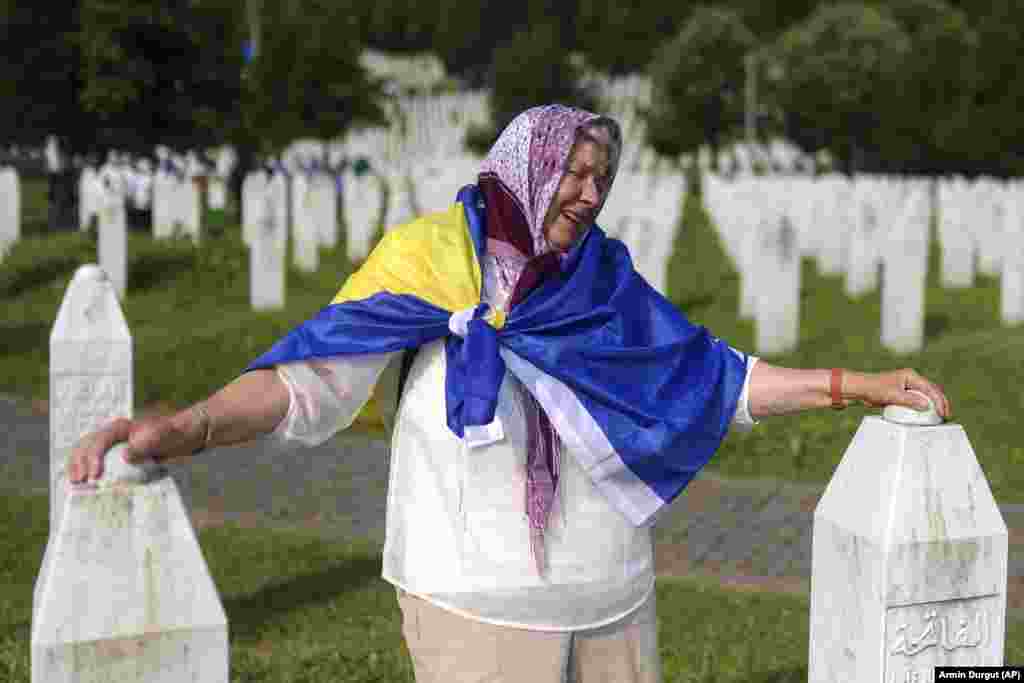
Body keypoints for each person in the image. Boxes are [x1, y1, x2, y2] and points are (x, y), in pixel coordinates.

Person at [69, 105, 951, 683]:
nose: (589, 192)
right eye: (573, 170)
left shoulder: (603, 281)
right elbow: (306, 383)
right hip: (473, 610)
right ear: (523, 163)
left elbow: (717, 380)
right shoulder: (426, 263)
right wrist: (181, 428)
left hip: (613, 606)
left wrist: (858, 385)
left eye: (601, 177)